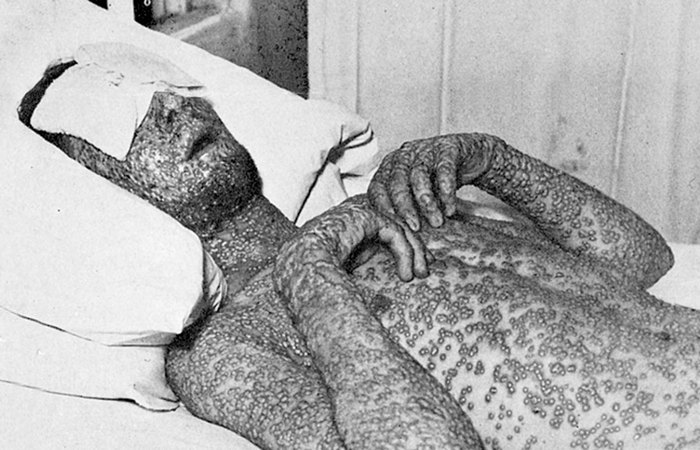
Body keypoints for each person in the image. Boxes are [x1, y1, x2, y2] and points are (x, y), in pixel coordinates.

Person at [25, 80, 699, 449]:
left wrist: (493, 159)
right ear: (101, 193)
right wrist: (309, 268)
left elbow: (641, 262)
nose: (169, 108)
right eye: (122, 121)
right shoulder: (222, 349)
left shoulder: (389, 204)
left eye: (158, 90)